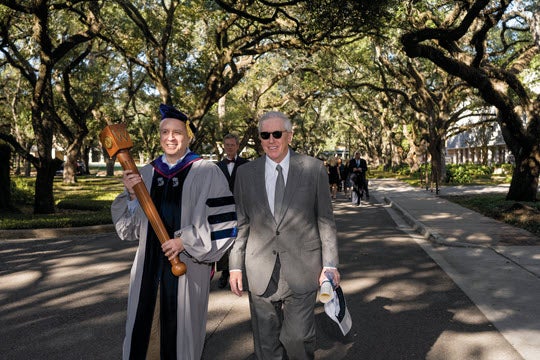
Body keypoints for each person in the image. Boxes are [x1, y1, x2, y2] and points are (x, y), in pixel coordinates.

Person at [111, 103, 237, 360]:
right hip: (147, 269)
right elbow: (128, 231)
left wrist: (185, 241)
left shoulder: (207, 171)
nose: (170, 137)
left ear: (187, 136)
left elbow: (224, 224)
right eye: (165, 132)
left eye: (177, 132)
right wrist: (132, 196)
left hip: (187, 270)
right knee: (142, 334)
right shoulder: (145, 173)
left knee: (180, 338)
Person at [229, 111, 340, 360]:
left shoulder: (313, 169)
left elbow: (326, 221)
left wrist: (330, 264)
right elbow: (242, 223)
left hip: (303, 268)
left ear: (289, 135)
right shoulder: (246, 174)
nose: (271, 140)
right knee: (266, 345)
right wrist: (235, 266)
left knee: (297, 339)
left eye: (277, 134)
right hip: (260, 269)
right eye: (265, 135)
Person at [215, 133, 249, 288]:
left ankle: (240, 269)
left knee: (241, 237)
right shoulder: (216, 167)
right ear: (224, 146)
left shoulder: (246, 165)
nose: (229, 147)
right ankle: (224, 272)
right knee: (224, 240)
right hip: (222, 209)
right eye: (227, 145)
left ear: (237, 146)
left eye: (232, 145)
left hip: (242, 207)